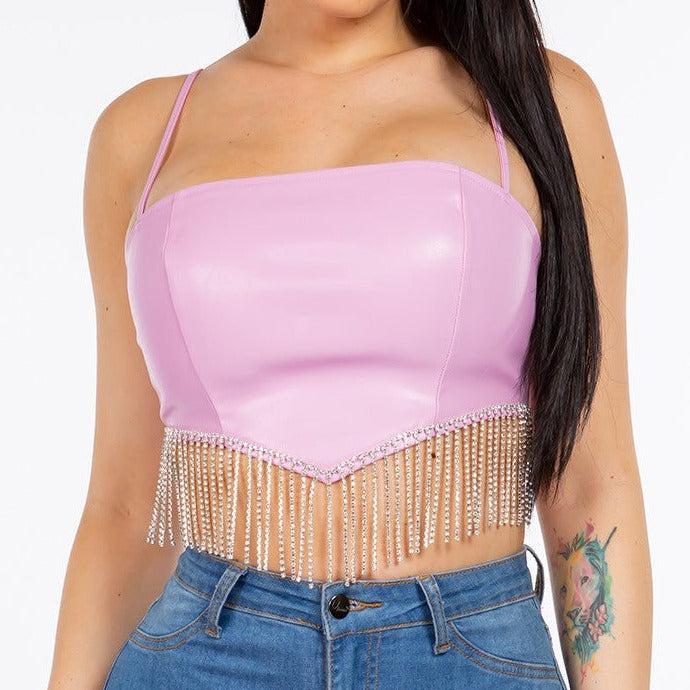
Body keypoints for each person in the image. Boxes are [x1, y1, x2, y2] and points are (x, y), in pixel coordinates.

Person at [49, 1, 652, 688]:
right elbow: (125, 507)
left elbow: (592, 483)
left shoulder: (535, 101)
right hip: (201, 662)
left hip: (469, 660)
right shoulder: (143, 133)